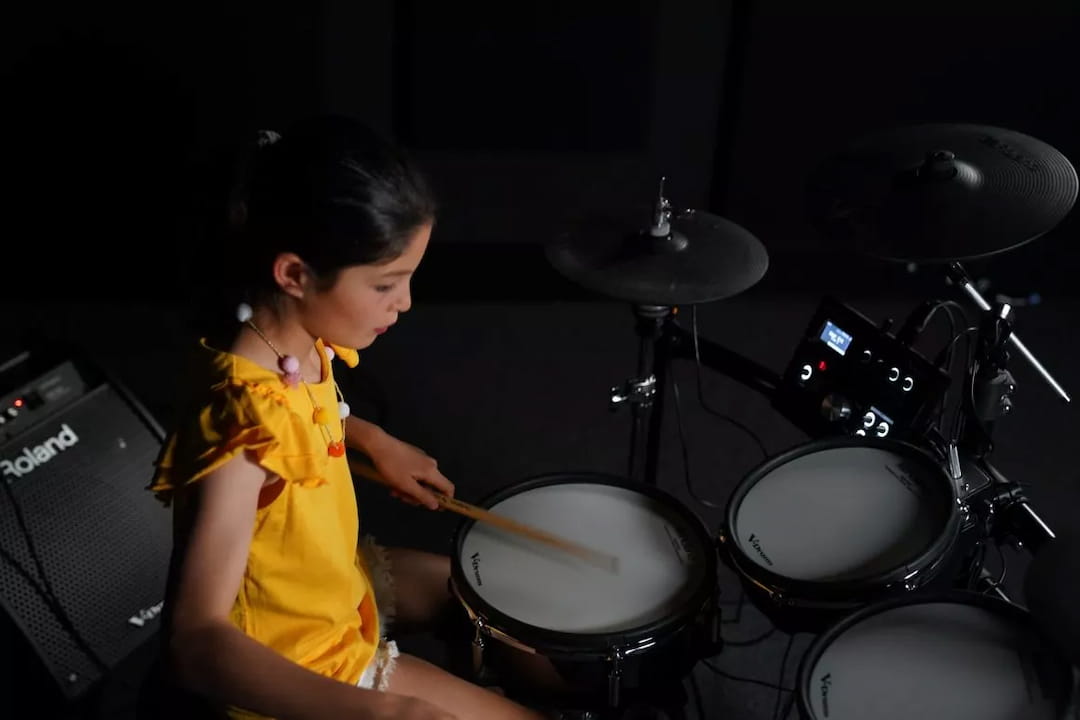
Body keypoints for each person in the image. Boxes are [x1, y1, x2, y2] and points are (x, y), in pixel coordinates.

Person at [145, 115, 548, 720]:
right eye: (387, 283)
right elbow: (196, 642)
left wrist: (368, 438)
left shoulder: (292, 341)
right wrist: (390, 712)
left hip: (332, 585)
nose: (405, 302)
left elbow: (302, 422)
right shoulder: (239, 431)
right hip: (301, 659)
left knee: (500, 602)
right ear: (294, 274)